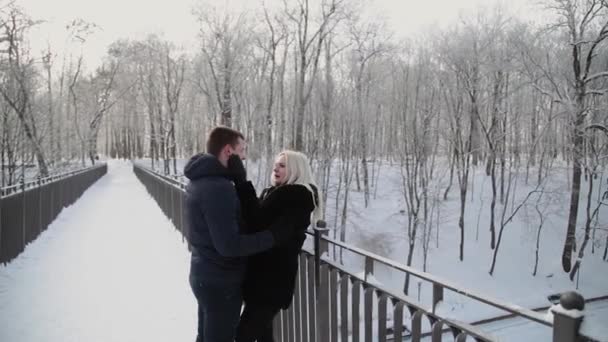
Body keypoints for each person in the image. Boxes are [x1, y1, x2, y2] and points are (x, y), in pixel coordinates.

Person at [183, 126, 294, 342]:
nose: (244, 156)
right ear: (228, 151)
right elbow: (229, 245)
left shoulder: (200, 180)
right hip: (221, 282)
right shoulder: (218, 187)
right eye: (241, 150)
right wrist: (273, 236)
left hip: (204, 274)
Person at [229, 150, 323, 342]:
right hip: (262, 278)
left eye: (282, 165)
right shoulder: (275, 192)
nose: (276, 168)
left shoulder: (297, 197)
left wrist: (241, 182)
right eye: (276, 164)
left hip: (271, 282)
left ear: (296, 170)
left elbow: (258, 223)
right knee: (262, 335)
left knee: (242, 336)